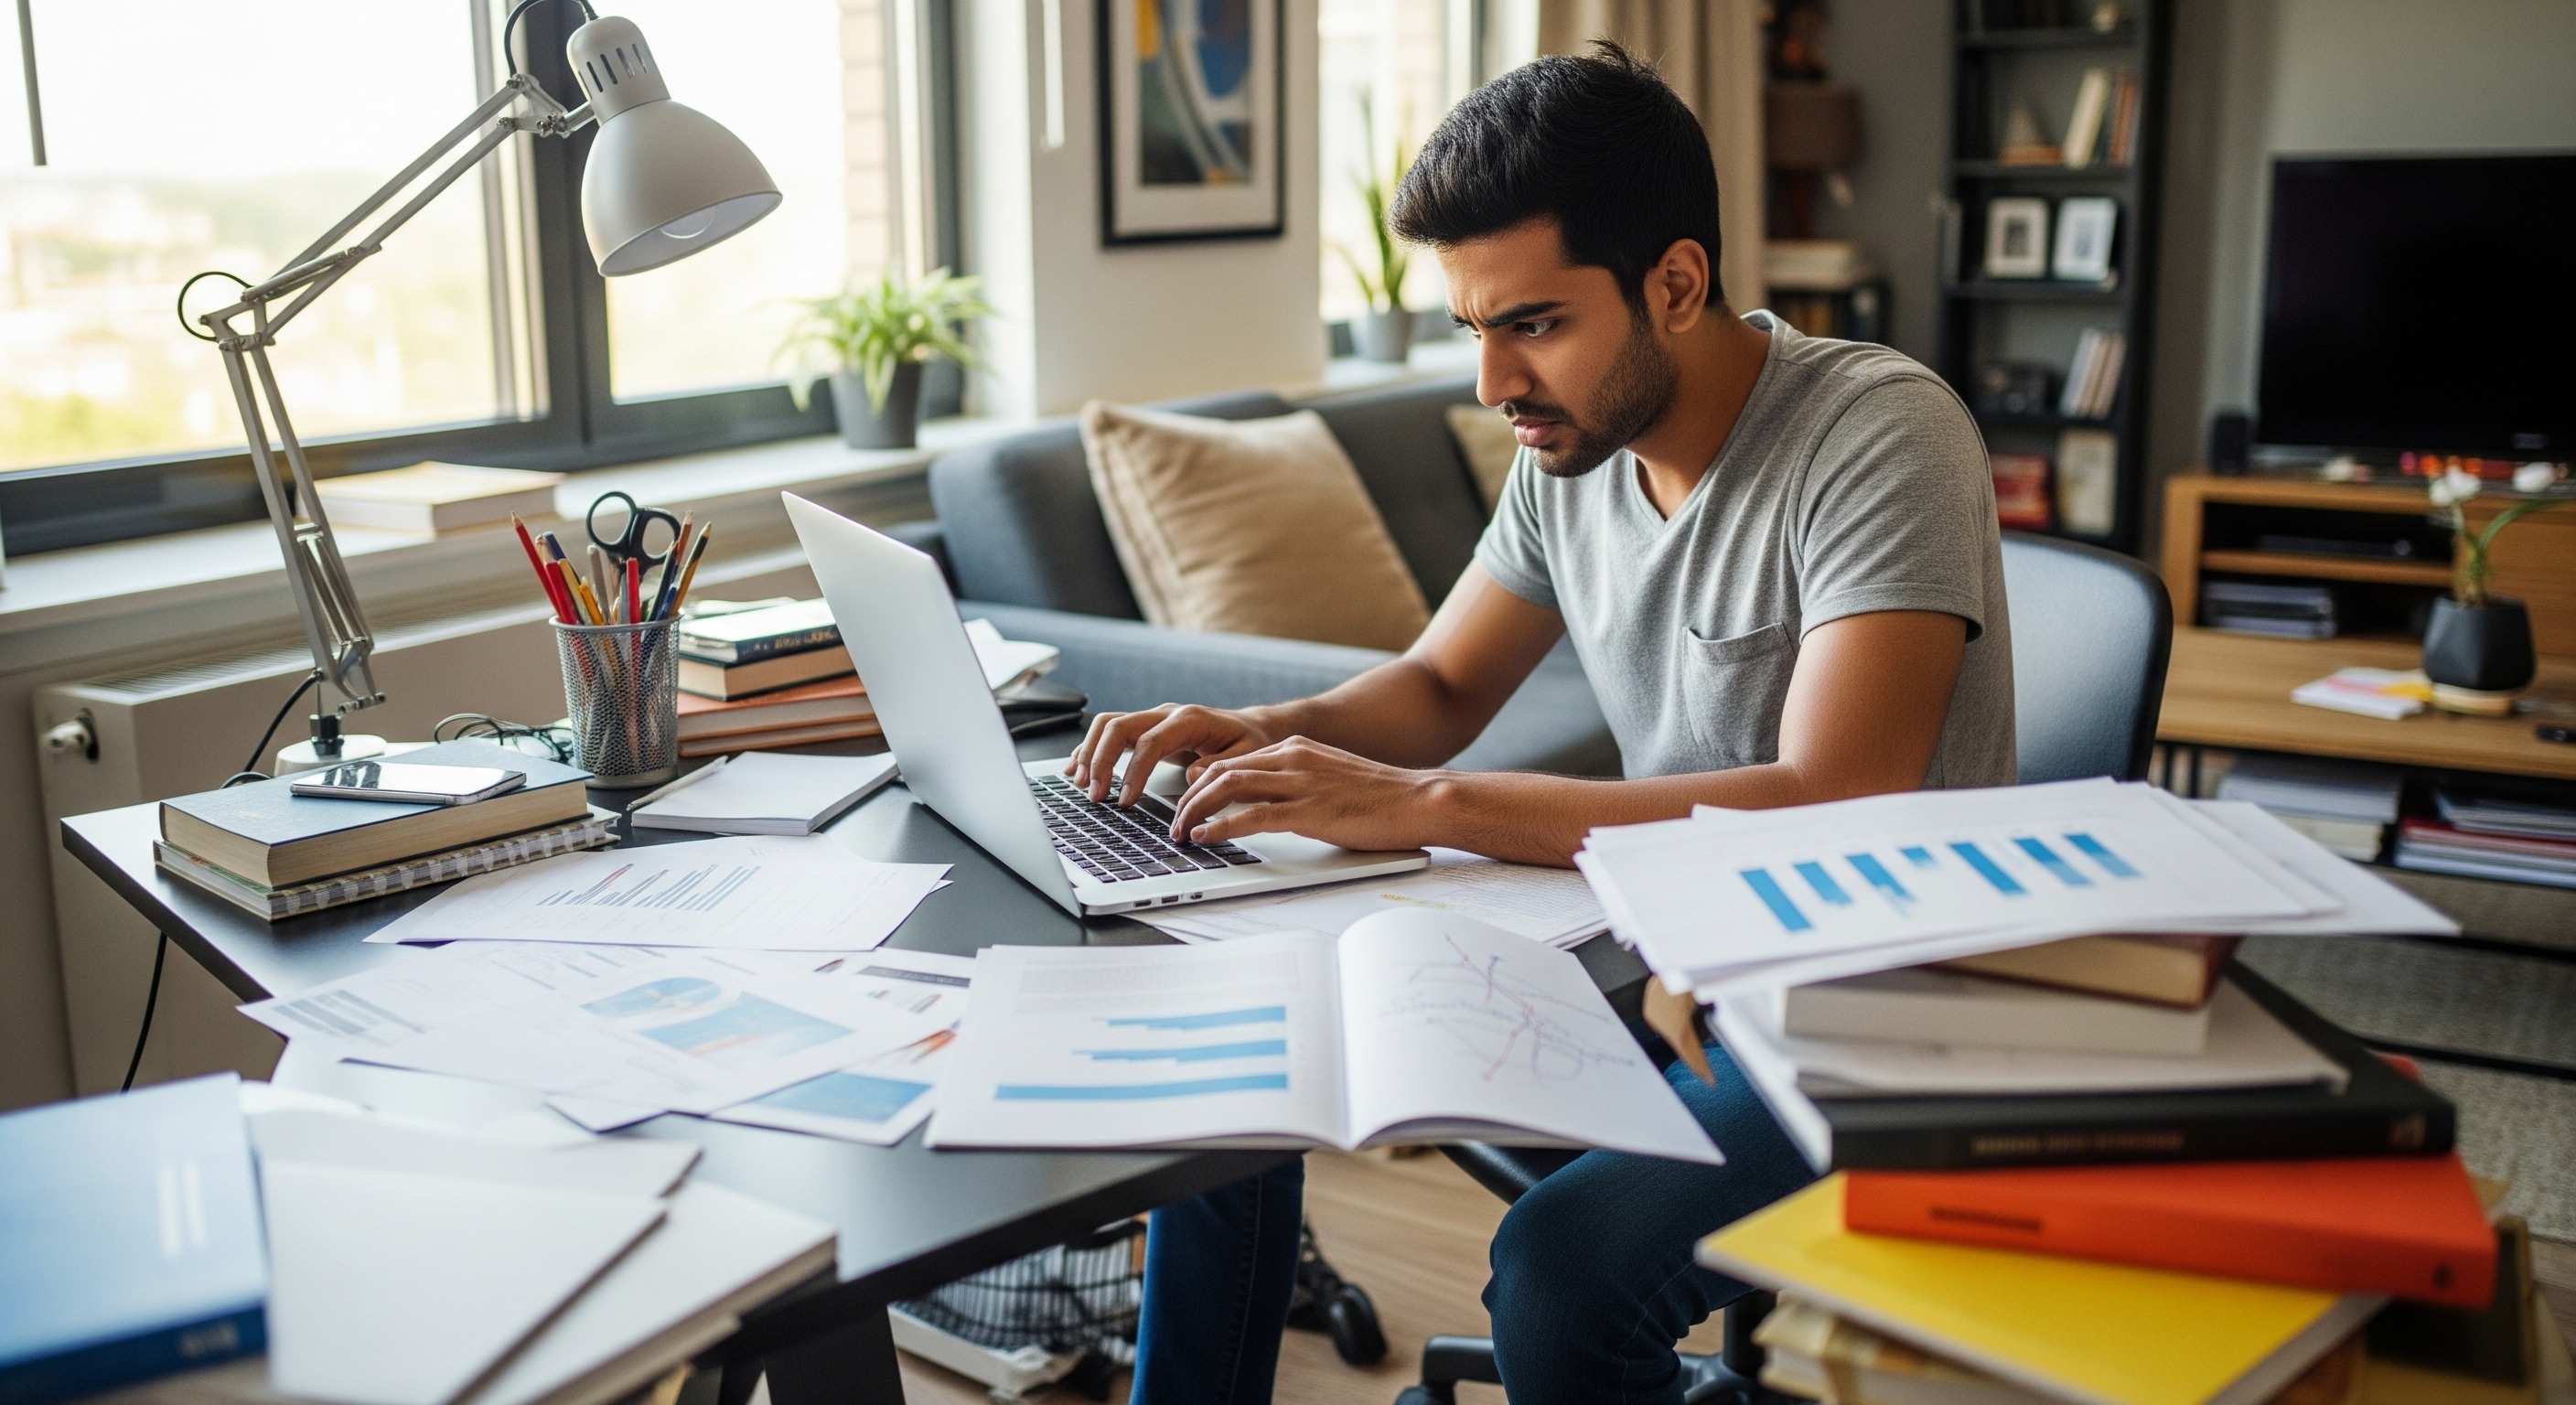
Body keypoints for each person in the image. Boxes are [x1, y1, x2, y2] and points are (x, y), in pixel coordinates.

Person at [1077, 42, 2015, 1405]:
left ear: (1676, 284)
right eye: (1473, 329)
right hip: (1656, 960)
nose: (1492, 380)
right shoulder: (1569, 451)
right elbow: (1443, 690)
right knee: (1233, 1070)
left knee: (1563, 1273)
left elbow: (1838, 796)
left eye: (1533, 323)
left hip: (1866, 994)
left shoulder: (1878, 433)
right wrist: (1258, 732)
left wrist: (1432, 807)